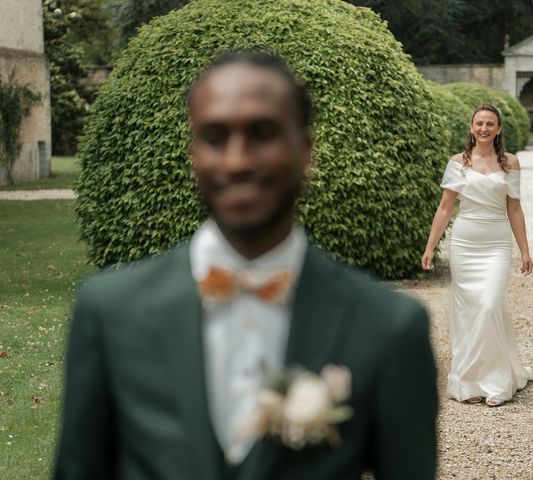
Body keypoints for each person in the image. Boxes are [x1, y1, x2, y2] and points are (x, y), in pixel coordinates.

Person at [54, 51, 438, 480]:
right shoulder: (110, 311)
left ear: (306, 150)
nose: (237, 161)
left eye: (263, 133)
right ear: (193, 152)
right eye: (215, 136)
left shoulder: (388, 326)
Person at [421, 103, 533, 407]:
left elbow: (514, 208)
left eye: (490, 124)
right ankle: (469, 382)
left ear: (498, 129)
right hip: (465, 243)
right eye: (479, 124)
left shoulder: (510, 162)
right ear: (472, 127)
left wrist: (524, 249)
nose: (484, 129)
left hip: (496, 243)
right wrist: (431, 246)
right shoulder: (457, 162)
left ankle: (497, 380)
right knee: (468, 311)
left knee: (489, 304)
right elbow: (446, 207)